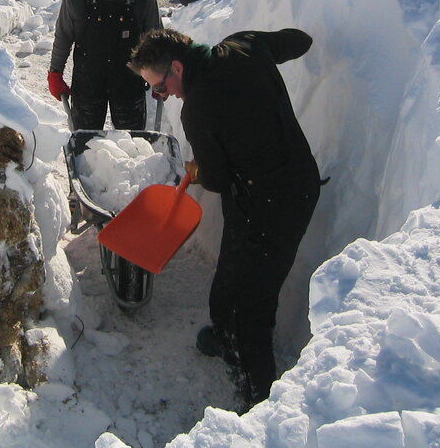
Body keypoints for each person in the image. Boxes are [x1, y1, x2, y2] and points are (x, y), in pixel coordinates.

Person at [127, 27, 322, 411]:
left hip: (271, 203)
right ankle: (224, 334)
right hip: (295, 179)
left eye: (160, 87)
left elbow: (215, 178)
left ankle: (258, 396)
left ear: (178, 68)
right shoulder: (243, 45)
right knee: (233, 270)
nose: (163, 95)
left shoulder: (198, 108)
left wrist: (196, 170)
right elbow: (299, 40)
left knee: (254, 296)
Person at [48, 0, 162, 130]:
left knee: (132, 145)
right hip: (88, 77)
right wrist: (55, 73)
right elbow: (65, 32)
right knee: (86, 143)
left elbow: (155, 39)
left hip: (129, 80)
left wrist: (160, 72)